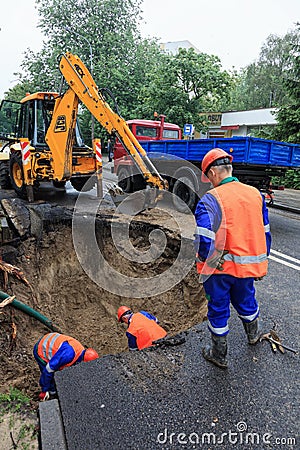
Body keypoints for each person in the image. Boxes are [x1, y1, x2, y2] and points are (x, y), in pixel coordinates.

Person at [194, 148, 271, 369]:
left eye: (208, 177)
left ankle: (219, 354)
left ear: (213, 173)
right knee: (246, 301)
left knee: (218, 308)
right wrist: (261, 263)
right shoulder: (255, 194)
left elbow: (205, 236)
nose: (209, 181)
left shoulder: (211, 199)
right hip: (247, 266)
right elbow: (265, 231)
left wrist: (205, 258)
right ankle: (253, 335)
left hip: (219, 270)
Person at [33, 332, 99, 400]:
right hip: (41, 349)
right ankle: (52, 393)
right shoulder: (68, 356)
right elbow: (48, 369)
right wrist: (44, 390)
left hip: (54, 342)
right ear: (84, 362)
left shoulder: (80, 352)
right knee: (51, 374)